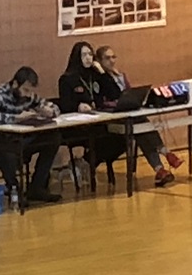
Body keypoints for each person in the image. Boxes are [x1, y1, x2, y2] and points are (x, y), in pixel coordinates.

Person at [95, 45, 181, 186]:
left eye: (113, 57)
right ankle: (166, 153)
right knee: (142, 127)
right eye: (107, 58)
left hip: (130, 115)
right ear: (99, 61)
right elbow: (105, 99)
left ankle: (160, 170)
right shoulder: (99, 78)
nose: (111, 61)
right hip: (115, 118)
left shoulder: (120, 75)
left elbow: (129, 93)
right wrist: (116, 100)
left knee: (141, 131)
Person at [0, 67, 62, 203]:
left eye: (30, 91)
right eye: (26, 90)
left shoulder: (29, 96)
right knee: (7, 154)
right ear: (15, 84)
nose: (28, 95)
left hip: (19, 139)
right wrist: (16, 118)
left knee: (53, 138)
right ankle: (15, 190)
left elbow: (54, 107)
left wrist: (49, 111)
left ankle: (37, 186)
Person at [58, 42, 125, 182]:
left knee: (122, 138)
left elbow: (115, 94)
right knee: (100, 137)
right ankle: (85, 164)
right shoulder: (67, 79)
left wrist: (103, 73)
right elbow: (64, 105)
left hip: (99, 121)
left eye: (90, 54)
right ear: (77, 57)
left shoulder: (96, 75)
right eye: (84, 55)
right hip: (78, 125)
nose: (88, 58)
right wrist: (78, 106)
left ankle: (85, 163)